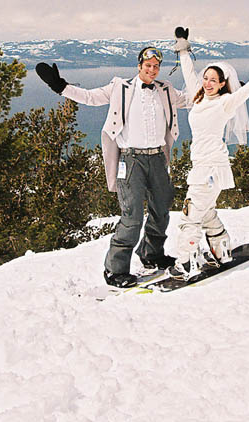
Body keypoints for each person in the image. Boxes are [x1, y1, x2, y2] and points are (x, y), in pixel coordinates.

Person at [35, 47, 190, 288]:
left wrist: (225, 90)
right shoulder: (120, 87)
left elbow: (192, 99)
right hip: (130, 161)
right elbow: (90, 97)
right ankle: (115, 270)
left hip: (159, 158)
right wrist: (60, 86)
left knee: (161, 210)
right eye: (147, 65)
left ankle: (152, 254)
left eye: (156, 66)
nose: (152, 70)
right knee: (132, 217)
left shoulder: (166, 90)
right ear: (139, 66)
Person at [169, 27, 249, 278]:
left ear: (223, 84)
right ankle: (221, 251)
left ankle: (186, 263)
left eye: (214, 80)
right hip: (203, 167)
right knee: (207, 213)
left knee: (190, 216)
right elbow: (189, 72)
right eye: (207, 79)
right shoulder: (199, 98)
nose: (207, 83)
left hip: (210, 169)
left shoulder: (225, 103)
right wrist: (183, 47)